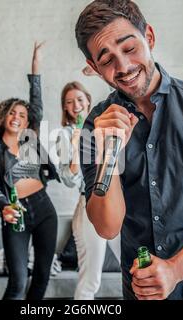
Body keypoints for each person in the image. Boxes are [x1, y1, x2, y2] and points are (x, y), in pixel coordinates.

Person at [75, 0, 183, 300]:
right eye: (107, 60)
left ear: (149, 38)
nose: (124, 67)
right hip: (140, 290)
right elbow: (107, 226)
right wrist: (108, 156)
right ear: (94, 67)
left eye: (129, 49)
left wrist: (174, 269)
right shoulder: (95, 126)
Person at [0, 42, 60, 300]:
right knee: (18, 281)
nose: (17, 117)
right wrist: (4, 206)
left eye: (22, 115)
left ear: (28, 121)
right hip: (15, 211)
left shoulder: (29, 138)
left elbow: (37, 100)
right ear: (4, 116)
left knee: (42, 276)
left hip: (44, 208)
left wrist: (36, 65)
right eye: (13, 112)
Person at [56, 81, 120, 300]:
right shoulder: (64, 135)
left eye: (80, 100)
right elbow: (70, 179)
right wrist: (75, 148)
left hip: (119, 202)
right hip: (89, 204)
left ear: (89, 101)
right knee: (91, 279)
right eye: (69, 102)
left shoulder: (103, 126)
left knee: (134, 267)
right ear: (64, 107)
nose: (76, 105)